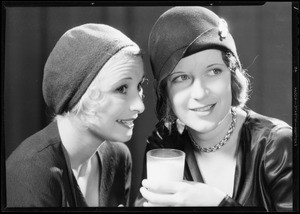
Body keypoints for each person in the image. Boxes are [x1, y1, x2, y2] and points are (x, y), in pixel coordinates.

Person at [135, 6, 293, 211]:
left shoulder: (276, 145)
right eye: (181, 78)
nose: (200, 93)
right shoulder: (164, 142)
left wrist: (218, 202)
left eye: (213, 71)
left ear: (232, 76)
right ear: (166, 92)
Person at [6, 23, 145, 207]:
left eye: (140, 86)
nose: (140, 106)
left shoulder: (118, 157)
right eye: (121, 88)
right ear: (80, 94)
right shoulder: (30, 171)